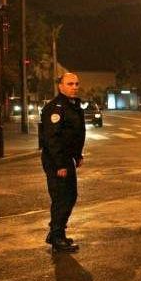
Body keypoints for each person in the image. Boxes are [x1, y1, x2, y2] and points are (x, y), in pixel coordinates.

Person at [40, 73, 86, 253]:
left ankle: (56, 232)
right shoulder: (55, 108)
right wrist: (60, 165)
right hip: (56, 160)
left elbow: (73, 135)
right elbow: (52, 139)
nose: (74, 87)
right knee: (62, 198)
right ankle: (57, 237)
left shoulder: (72, 106)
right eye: (70, 84)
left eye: (76, 83)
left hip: (66, 158)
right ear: (60, 86)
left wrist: (77, 155)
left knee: (70, 195)